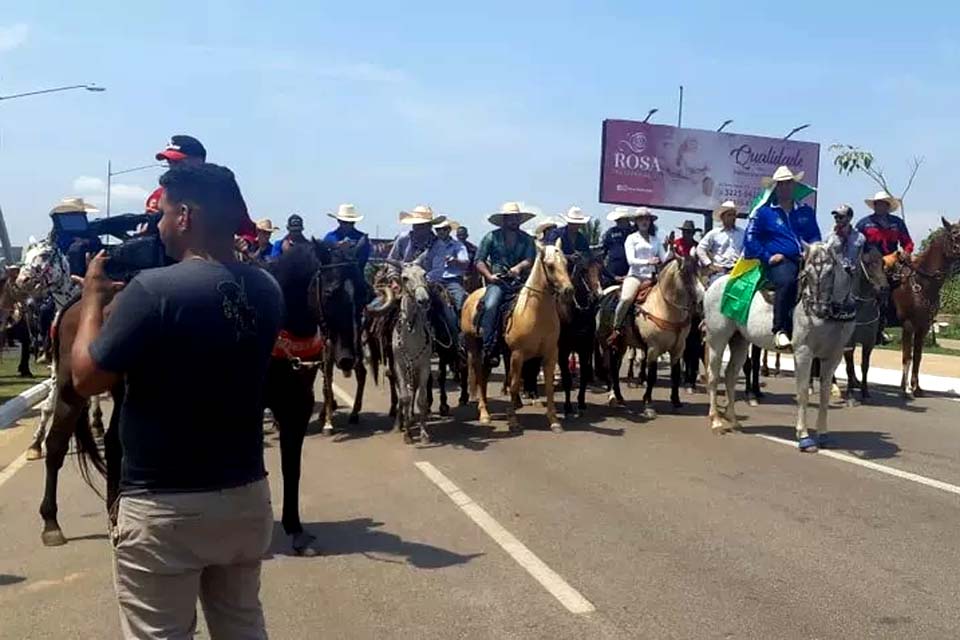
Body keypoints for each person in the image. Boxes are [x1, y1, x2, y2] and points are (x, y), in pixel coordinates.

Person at [71, 163, 282, 639]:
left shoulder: (152, 290)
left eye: (164, 213)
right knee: (244, 626)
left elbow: (86, 378)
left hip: (164, 505)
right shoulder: (266, 290)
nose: (159, 225)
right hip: (246, 496)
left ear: (184, 216)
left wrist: (92, 300)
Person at [743, 165, 821, 349]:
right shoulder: (764, 213)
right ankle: (780, 330)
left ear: (794, 186)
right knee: (787, 281)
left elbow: (815, 236)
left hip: (806, 259)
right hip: (780, 261)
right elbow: (750, 240)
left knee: (828, 280)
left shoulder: (806, 212)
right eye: (782, 184)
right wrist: (768, 256)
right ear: (776, 187)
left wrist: (812, 249)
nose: (786, 187)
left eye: (789, 184)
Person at [148, 135, 258, 241]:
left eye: (178, 162)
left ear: (199, 161)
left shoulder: (221, 192)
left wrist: (244, 242)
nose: (173, 168)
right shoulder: (160, 195)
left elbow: (247, 231)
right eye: (169, 163)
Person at [475, 202, 537, 367]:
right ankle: (489, 348)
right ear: (504, 220)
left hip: (521, 282)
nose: (513, 221)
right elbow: (479, 260)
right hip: (498, 281)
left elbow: (530, 259)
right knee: (491, 305)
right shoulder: (491, 237)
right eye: (510, 218)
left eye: (516, 218)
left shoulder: (527, 239)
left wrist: (519, 267)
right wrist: (489, 276)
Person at [609, 207, 667, 342]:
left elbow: (664, 259)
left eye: (646, 219)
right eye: (641, 219)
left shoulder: (656, 239)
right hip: (635, 276)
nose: (644, 221)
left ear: (650, 222)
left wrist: (671, 251)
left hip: (653, 278)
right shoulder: (631, 238)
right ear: (636, 222)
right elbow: (631, 260)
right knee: (626, 299)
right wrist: (648, 261)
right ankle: (616, 328)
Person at [426, 218, 470, 344]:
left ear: (449, 230)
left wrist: (454, 260)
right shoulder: (431, 245)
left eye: (443, 229)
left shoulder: (458, 245)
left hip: (451, 280)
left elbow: (465, 263)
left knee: (461, 300)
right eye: (437, 229)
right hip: (432, 280)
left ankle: (462, 332)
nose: (440, 232)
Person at [386, 205, 443, 279]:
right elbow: (392, 259)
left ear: (429, 226)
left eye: (422, 225)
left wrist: (421, 279)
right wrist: (394, 277)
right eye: (415, 225)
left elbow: (438, 270)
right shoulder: (403, 238)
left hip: (427, 279)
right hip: (403, 278)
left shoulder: (438, 244)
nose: (417, 228)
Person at [696, 200, 744, 285]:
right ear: (722, 217)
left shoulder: (742, 233)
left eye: (734, 215)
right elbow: (700, 249)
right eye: (729, 215)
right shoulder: (714, 233)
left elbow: (747, 250)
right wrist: (709, 264)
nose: (732, 218)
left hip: (737, 271)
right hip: (719, 272)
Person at [855, 190, 913, 260]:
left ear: (888, 206)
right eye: (877, 204)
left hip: (892, 259)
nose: (879, 206)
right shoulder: (863, 224)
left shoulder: (897, 222)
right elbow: (855, 243)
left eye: (882, 204)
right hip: (871, 261)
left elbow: (907, 242)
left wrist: (906, 252)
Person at [322, 203, 371, 272]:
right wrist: (336, 246)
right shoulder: (330, 237)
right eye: (345, 222)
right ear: (339, 221)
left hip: (354, 275)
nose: (348, 225)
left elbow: (363, 261)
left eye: (351, 222)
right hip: (333, 276)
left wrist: (353, 251)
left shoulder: (361, 238)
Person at [600, 206, 637, 287]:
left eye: (621, 220)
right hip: (612, 277)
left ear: (627, 220)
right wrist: (612, 276)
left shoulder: (635, 233)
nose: (618, 222)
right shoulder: (610, 233)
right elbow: (602, 255)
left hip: (632, 275)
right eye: (618, 220)